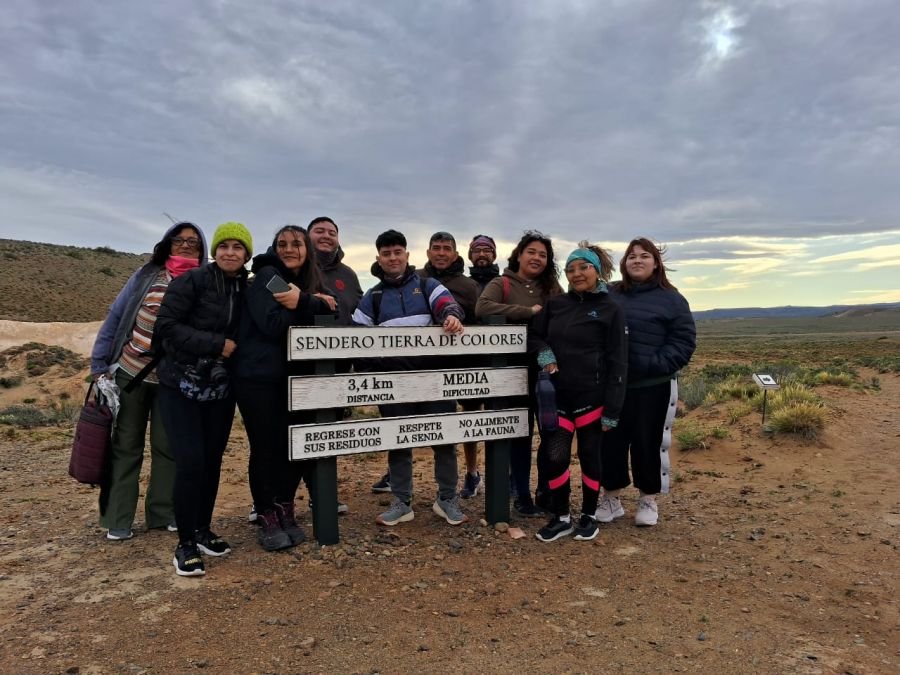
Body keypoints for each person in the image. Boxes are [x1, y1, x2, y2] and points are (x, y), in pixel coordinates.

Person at [90, 222, 207, 541]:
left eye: (193, 242)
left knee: (168, 448)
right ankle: (118, 518)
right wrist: (99, 363)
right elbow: (116, 317)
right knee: (125, 446)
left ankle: (163, 513)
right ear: (167, 244)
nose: (185, 245)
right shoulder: (147, 276)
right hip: (130, 372)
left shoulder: (206, 282)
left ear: (202, 249)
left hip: (175, 379)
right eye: (179, 240)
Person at [352, 229, 467, 527]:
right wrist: (375, 373)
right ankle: (402, 502)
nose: (393, 258)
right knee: (398, 442)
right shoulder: (373, 296)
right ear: (379, 258)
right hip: (394, 386)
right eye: (387, 253)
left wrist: (451, 316)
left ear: (407, 255)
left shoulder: (428, 284)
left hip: (434, 382)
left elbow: (446, 304)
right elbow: (357, 336)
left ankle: (446, 499)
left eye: (397, 252)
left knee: (444, 440)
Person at [155, 222, 251, 576]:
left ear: (246, 255)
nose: (229, 252)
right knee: (191, 462)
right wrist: (215, 345)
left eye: (237, 247)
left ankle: (202, 529)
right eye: (223, 246)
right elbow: (165, 325)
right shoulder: (191, 281)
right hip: (180, 385)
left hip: (220, 390)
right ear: (214, 251)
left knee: (211, 461)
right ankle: (184, 544)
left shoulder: (246, 288)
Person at [234, 225, 335, 551]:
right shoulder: (268, 275)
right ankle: (267, 514)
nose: (290, 249)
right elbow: (273, 323)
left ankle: (285, 508)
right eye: (283, 244)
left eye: (296, 244)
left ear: (307, 249)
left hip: (296, 381)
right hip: (259, 379)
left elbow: (330, 312)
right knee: (267, 449)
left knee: (294, 447)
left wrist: (307, 301)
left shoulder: (308, 283)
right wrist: (311, 304)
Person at [528, 243, 628, 542]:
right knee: (555, 456)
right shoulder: (557, 305)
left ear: (597, 270)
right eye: (571, 269)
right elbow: (532, 335)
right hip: (558, 397)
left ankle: (588, 514)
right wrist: (544, 352)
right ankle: (560, 516)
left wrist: (613, 409)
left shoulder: (611, 309)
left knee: (589, 456)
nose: (576, 274)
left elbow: (618, 361)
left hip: (593, 400)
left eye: (583, 267)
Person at [598, 238, 696, 527]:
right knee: (610, 443)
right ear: (624, 263)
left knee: (647, 443)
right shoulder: (611, 294)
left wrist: (653, 365)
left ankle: (648, 500)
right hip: (614, 387)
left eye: (644, 256)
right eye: (631, 257)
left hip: (653, 386)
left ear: (656, 262)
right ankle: (611, 498)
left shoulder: (672, 298)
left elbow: (683, 341)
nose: (637, 261)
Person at [475, 230, 563, 516]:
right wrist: (526, 311)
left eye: (543, 254)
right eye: (532, 252)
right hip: (511, 373)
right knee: (520, 435)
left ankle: (546, 491)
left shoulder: (552, 289)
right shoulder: (502, 282)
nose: (537, 257)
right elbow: (482, 307)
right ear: (519, 255)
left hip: (547, 373)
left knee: (551, 433)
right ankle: (522, 496)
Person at [417, 232, 483, 498]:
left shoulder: (468, 286)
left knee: (468, 420)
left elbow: (481, 322)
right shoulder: (417, 279)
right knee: (427, 422)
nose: (441, 253)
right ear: (428, 252)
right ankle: (403, 477)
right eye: (436, 248)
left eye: (447, 248)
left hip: (463, 364)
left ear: (455, 254)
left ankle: (472, 472)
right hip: (425, 366)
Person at [307, 216, 363, 326]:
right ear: (306, 237)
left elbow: (362, 313)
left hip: (343, 341)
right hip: (298, 340)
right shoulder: (294, 267)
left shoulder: (349, 274)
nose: (326, 236)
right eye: (319, 231)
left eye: (332, 234)